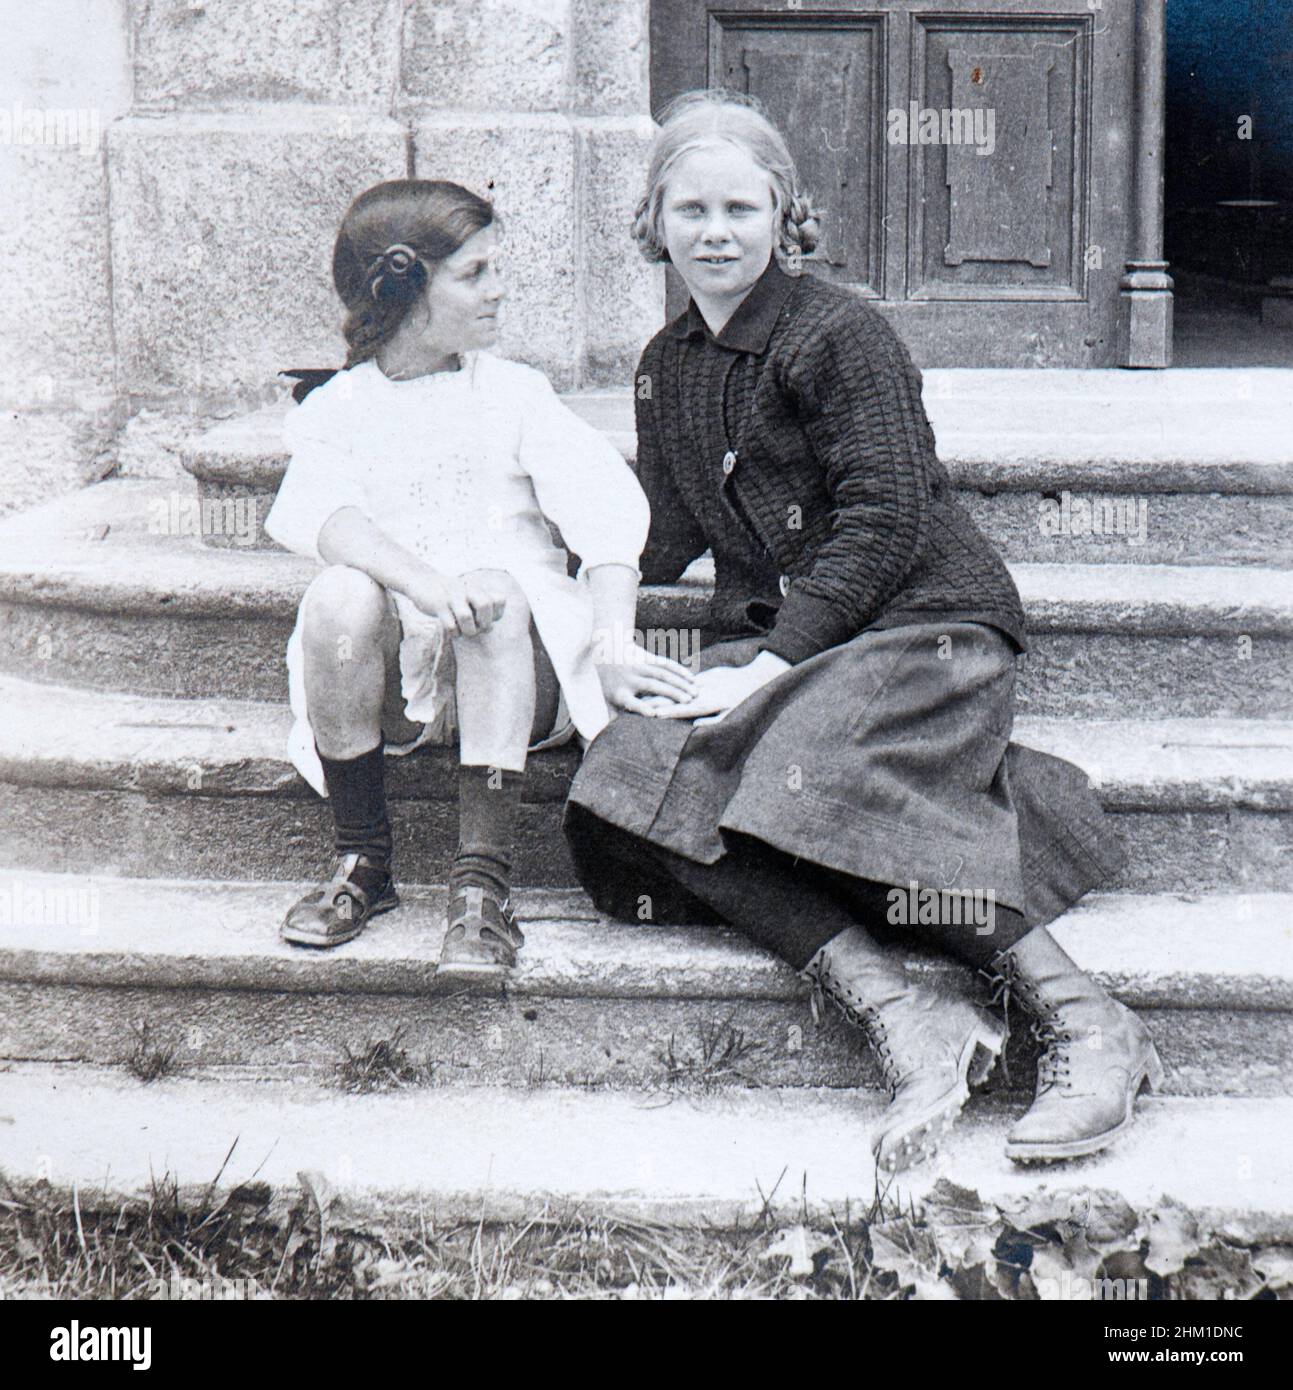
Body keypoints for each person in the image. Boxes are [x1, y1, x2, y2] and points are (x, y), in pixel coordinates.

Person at [563, 91, 1162, 1170]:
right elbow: (658, 531)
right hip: (794, 650)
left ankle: (1086, 1019)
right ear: (651, 221)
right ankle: (906, 1014)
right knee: (628, 776)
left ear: (786, 215)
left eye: (741, 208)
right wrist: (560, 610)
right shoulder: (665, 366)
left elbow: (887, 519)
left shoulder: (839, 334)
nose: (714, 231)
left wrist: (766, 672)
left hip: (923, 626)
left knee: (794, 764)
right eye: (689, 208)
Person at [266, 179, 695, 974]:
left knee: (493, 593)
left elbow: (607, 517)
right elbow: (321, 516)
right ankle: (363, 862)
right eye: (474, 274)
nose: (498, 289)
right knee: (336, 593)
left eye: (495, 268)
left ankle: (483, 885)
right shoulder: (341, 406)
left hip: (511, 671)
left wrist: (611, 641)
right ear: (403, 289)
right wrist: (429, 585)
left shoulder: (512, 394)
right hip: (396, 676)